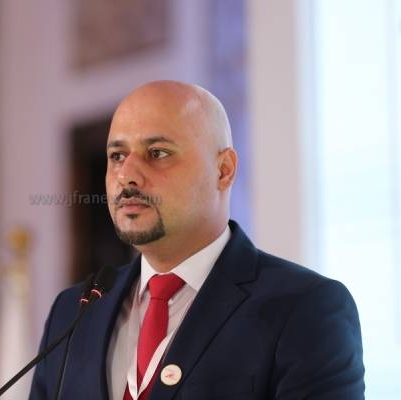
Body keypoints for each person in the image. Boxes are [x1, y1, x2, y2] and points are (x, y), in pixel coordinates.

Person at [29, 80, 364, 399]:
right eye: (117, 156)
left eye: (157, 153)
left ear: (223, 170)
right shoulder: (72, 313)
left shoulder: (305, 308)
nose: (126, 175)